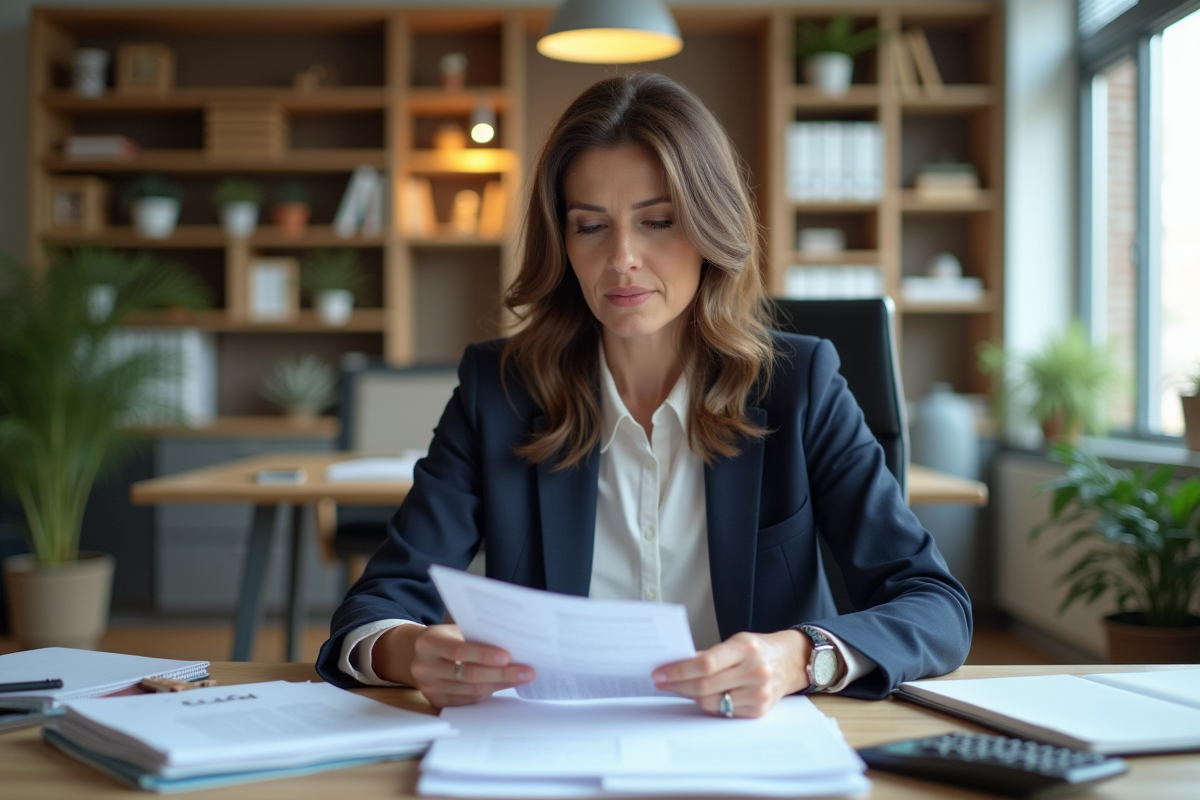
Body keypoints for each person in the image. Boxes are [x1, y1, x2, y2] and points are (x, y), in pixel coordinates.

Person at [316, 72, 971, 717]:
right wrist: (409, 651)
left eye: (657, 221)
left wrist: (801, 657)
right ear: (563, 241)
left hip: (748, 746)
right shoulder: (501, 391)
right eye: (591, 226)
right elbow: (376, 607)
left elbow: (936, 606)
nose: (622, 258)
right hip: (549, 746)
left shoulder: (799, 384)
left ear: (709, 227)